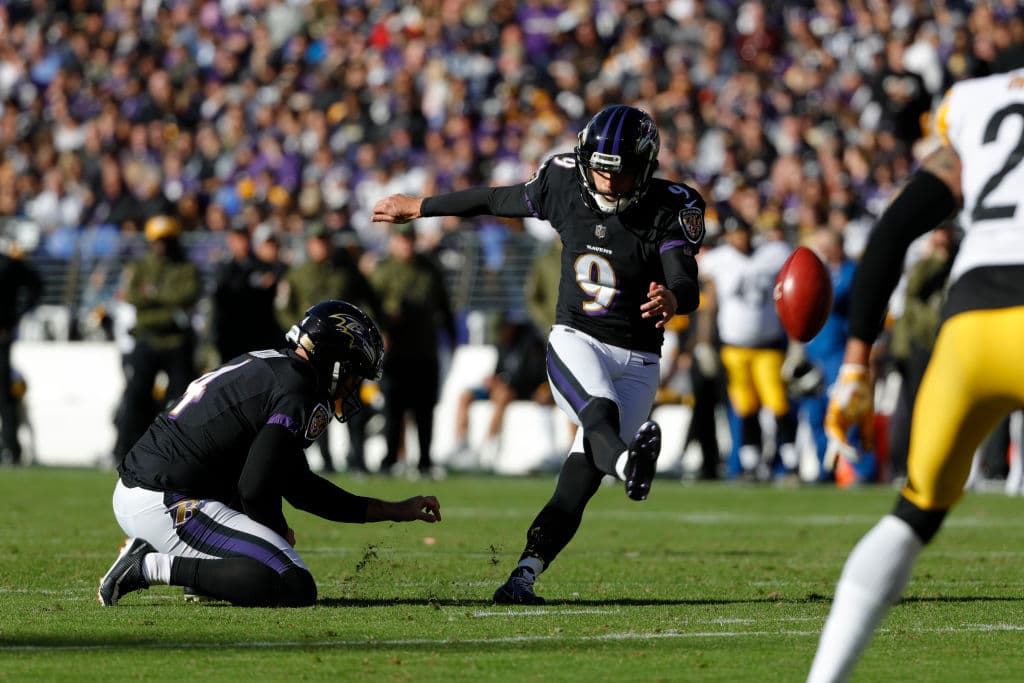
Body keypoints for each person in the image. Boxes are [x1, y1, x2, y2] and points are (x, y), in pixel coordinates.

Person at [372, 104, 703, 604]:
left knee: (578, 483)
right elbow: (492, 198)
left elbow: (684, 276)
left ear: (646, 166)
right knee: (599, 415)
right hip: (578, 338)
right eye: (601, 171)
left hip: (639, 359)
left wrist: (674, 299)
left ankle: (522, 576)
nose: (609, 185)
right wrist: (422, 205)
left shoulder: (669, 204)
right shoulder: (564, 182)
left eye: (623, 174)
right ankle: (628, 462)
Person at [808, 68, 1024, 681]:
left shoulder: (973, 103)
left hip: (972, 331)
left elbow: (892, 232)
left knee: (912, 515)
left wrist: (854, 368)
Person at [98, 300, 441, 607]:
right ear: (332, 358)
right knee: (293, 584)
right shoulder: (298, 390)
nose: (354, 384)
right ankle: (146, 565)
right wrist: (276, 530)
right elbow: (256, 487)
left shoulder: (276, 367)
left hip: (152, 489)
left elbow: (299, 486)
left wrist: (396, 510)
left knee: (272, 560)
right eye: (353, 371)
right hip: (167, 500)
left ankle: (200, 576)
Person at [276, 222, 381, 473]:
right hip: (313, 353)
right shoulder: (297, 274)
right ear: (309, 245)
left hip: (346, 353)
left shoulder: (347, 273)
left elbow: (368, 303)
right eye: (316, 241)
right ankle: (325, 459)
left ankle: (358, 459)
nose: (321, 246)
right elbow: (283, 308)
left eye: (324, 241)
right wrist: (302, 334)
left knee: (352, 404)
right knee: (316, 404)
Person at [698, 215, 796, 480]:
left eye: (742, 232)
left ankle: (790, 461)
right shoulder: (718, 260)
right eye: (734, 234)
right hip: (734, 347)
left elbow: (792, 291)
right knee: (745, 406)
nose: (739, 238)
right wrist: (704, 343)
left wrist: (796, 340)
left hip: (768, 345)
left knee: (777, 402)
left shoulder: (774, 254)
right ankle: (750, 462)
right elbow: (710, 304)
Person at [369, 222, 457, 478]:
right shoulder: (383, 271)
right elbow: (370, 308)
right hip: (396, 352)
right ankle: (390, 460)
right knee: (393, 410)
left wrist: (451, 339)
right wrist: (382, 328)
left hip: (424, 350)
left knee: (425, 410)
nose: (406, 245)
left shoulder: (429, 270)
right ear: (394, 242)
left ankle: (425, 461)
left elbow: (444, 306)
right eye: (401, 240)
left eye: (409, 240)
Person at [114, 215, 201, 463]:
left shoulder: (186, 268)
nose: (161, 245)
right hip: (147, 339)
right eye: (157, 240)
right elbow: (132, 295)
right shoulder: (141, 266)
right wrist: (168, 301)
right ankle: (125, 451)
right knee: (135, 396)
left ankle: (179, 453)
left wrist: (153, 295)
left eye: (166, 240)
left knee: (181, 401)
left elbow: (188, 295)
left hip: (176, 343)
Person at [0, 242, 42, 465]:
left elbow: (35, 287)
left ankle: (10, 448)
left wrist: (14, 317)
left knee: (5, 395)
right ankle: (9, 448)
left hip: (2, 337)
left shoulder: (9, 265)